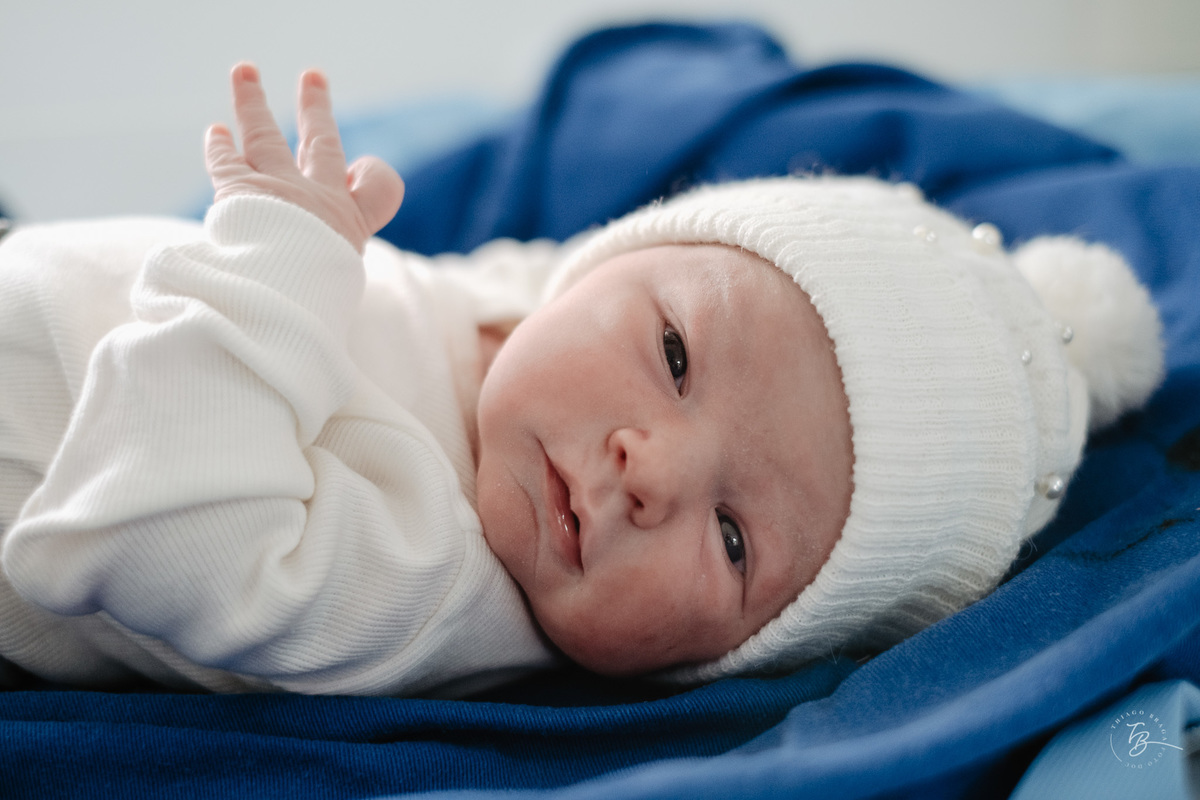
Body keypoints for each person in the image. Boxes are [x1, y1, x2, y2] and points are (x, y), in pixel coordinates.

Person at [0, 64, 1165, 696]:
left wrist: (273, 263)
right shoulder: (539, 315)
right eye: (673, 356)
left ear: (730, 656)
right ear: (609, 255)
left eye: (735, 539)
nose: (651, 468)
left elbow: (145, 530)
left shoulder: (432, 580)